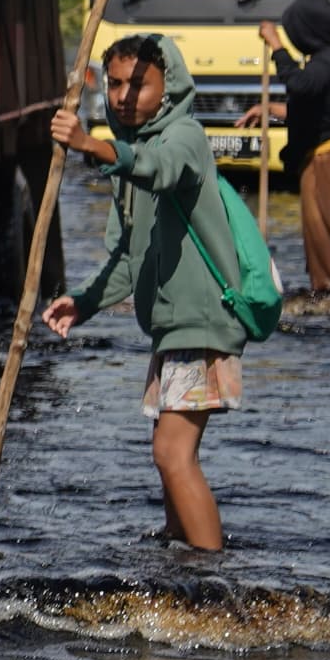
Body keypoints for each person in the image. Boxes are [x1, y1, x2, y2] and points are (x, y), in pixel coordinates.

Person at [41, 32, 246, 550]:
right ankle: (180, 557)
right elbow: (129, 259)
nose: (124, 96)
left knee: (173, 455)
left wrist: (91, 145)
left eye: (139, 84)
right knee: (165, 454)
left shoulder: (185, 137)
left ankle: (212, 582)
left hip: (201, 322)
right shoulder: (126, 162)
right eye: (114, 84)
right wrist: (83, 302)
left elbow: (161, 169)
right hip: (171, 328)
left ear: (168, 85)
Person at [262, 0, 330, 303]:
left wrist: (277, 47)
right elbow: (319, 109)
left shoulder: (324, 62)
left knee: (325, 231)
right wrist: (268, 109)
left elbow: (300, 85)